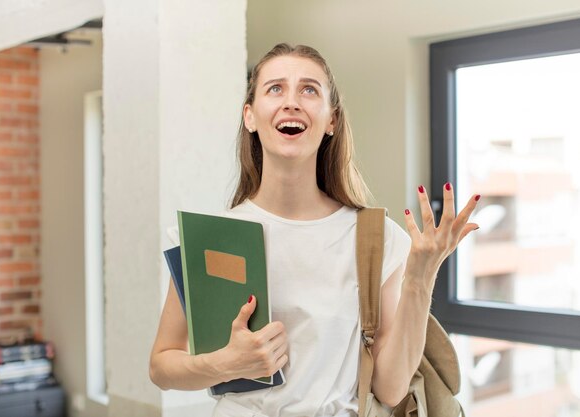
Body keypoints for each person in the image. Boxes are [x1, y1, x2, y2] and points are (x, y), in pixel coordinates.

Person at [149, 43, 480, 417]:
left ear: (331, 120)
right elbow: (161, 366)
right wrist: (226, 363)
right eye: (275, 89)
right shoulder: (211, 237)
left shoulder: (376, 239)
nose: (291, 102)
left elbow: (390, 389)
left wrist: (420, 278)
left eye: (309, 90)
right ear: (250, 116)